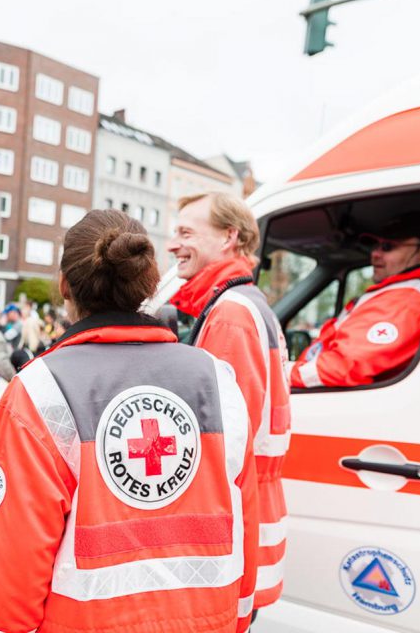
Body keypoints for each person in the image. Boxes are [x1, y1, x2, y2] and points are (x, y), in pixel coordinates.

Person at [0, 210, 259, 632]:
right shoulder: (218, 379)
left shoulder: (43, 390)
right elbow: (244, 521)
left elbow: (10, 567)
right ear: (149, 284)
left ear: (64, 284)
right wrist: (239, 618)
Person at [168, 191, 292, 614]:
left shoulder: (229, 314)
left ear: (228, 237)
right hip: (249, 515)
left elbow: (219, 443)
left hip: (233, 527)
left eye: (186, 232)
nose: (173, 245)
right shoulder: (248, 304)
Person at [291, 211, 420, 389]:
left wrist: (280, 375)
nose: (375, 253)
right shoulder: (399, 293)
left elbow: (342, 367)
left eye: (387, 247)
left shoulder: (408, 301)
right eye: (375, 245)